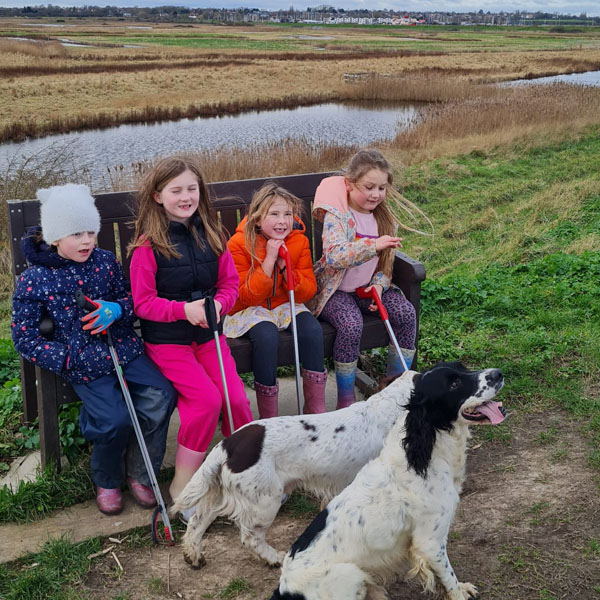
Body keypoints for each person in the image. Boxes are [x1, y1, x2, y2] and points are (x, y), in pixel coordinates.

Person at [11, 183, 176, 516]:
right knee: (114, 419)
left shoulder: (105, 262)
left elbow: (132, 301)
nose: (86, 240)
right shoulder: (36, 279)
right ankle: (107, 479)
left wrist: (116, 309)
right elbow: (24, 337)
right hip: (82, 361)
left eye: (90, 231)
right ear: (55, 237)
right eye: (76, 233)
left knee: (161, 393)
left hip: (123, 349)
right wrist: (66, 357)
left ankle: (141, 472)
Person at [128, 155, 253, 511]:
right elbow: (143, 303)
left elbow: (230, 283)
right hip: (168, 343)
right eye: (176, 190)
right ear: (157, 196)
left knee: (235, 400)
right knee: (205, 402)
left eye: (192, 189)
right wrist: (183, 310)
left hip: (209, 337)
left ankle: (242, 475)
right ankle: (182, 489)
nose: (185, 197)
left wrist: (220, 304)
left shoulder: (212, 235)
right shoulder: (147, 247)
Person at [308, 148, 430, 409]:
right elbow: (334, 256)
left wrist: (379, 285)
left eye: (382, 188)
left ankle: (396, 388)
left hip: (368, 290)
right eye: (369, 187)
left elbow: (386, 265)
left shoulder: (384, 219)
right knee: (351, 325)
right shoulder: (338, 217)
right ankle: (346, 400)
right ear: (350, 184)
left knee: (406, 315)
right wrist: (372, 245)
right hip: (336, 291)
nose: (376, 194)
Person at [225, 182, 327, 418]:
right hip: (249, 309)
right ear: (258, 219)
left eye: (288, 214)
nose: (282, 221)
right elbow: (246, 294)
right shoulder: (238, 244)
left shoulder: (299, 242)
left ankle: (316, 410)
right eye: (274, 214)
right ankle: (268, 416)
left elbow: (307, 291)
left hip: (284, 305)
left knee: (311, 330)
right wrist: (269, 261)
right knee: (266, 335)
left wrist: (287, 272)